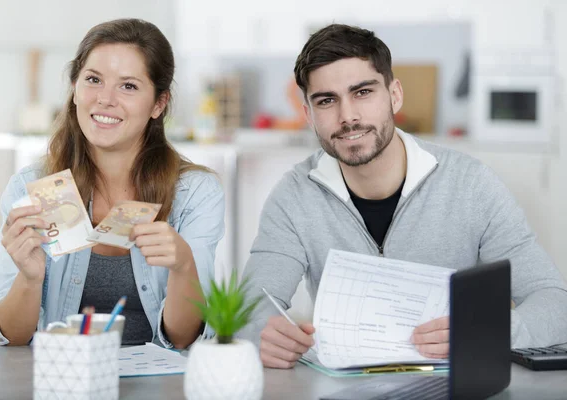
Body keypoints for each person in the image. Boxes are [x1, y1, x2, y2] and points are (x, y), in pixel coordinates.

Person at [238, 23, 567, 369]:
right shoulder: (294, 197)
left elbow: (554, 303)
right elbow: (252, 306)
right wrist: (260, 332)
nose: (347, 116)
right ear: (308, 114)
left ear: (395, 95)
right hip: (342, 388)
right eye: (326, 100)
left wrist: (491, 329)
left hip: (451, 387)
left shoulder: (471, 185)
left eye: (362, 92)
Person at [0, 19, 225, 348]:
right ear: (74, 89)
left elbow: (184, 339)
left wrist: (183, 267)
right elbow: (12, 339)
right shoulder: (33, 186)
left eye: (128, 86)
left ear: (158, 104)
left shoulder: (195, 192)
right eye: (94, 80)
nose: (105, 99)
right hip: (64, 379)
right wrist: (29, 278)